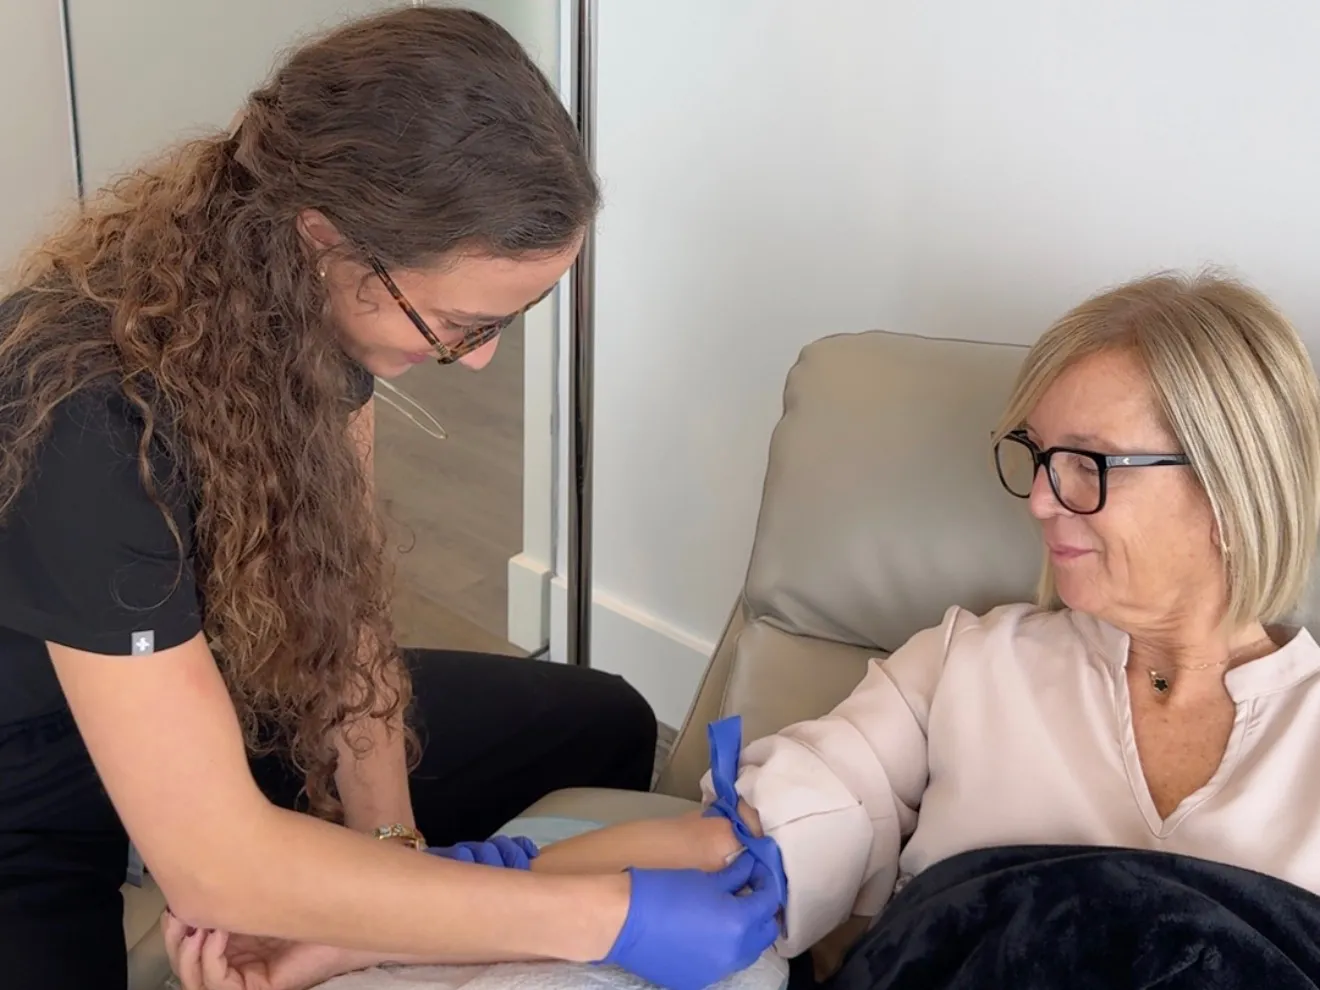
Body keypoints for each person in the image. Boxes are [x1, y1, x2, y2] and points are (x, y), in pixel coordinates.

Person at [219, 270, 1320, 989]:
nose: (1037, 501)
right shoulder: (970, 665)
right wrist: (370, 923)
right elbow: (732, 852)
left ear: (1232, 479)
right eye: (1036, 460)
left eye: (1089, 468)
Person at [0, 8, 781, 990]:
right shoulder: (81, 402)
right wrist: (596, 916)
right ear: (323, 241)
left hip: (201, 686)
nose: (481, 357)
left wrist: (388, 840)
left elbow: (345, 618)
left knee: (605, 723)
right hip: (33, 765)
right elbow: (214, 869)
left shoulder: (312, 324)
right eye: (459, 325)